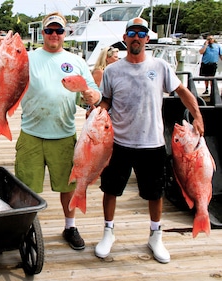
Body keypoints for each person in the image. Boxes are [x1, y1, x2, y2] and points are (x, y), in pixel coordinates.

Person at [95, 17, 204, 264]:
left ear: (147, 37)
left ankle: (156, 235)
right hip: (119, 142)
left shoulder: (161, 66)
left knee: (155, 193)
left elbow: (183, 92)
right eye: (131, 32)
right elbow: (106, 101)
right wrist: (96, 112)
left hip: (152, 143)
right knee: (110, 189)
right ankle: (108, 232)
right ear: (124, 38)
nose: (136, 36)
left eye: (141, 33)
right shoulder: (112, 70)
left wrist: (197, 116)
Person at [14, 12, 102, 251]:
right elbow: (7, 79)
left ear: (65, 33)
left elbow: (93, 92)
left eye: (59, 31)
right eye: (49, 30)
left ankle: (70, 226)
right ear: (42, 33)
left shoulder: (76, 61)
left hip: (64, 134)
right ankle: (26, 227)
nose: (54, 34)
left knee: (69, 185)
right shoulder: (27, 58)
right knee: (26, 186)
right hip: (31, 133)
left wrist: (94, 95)